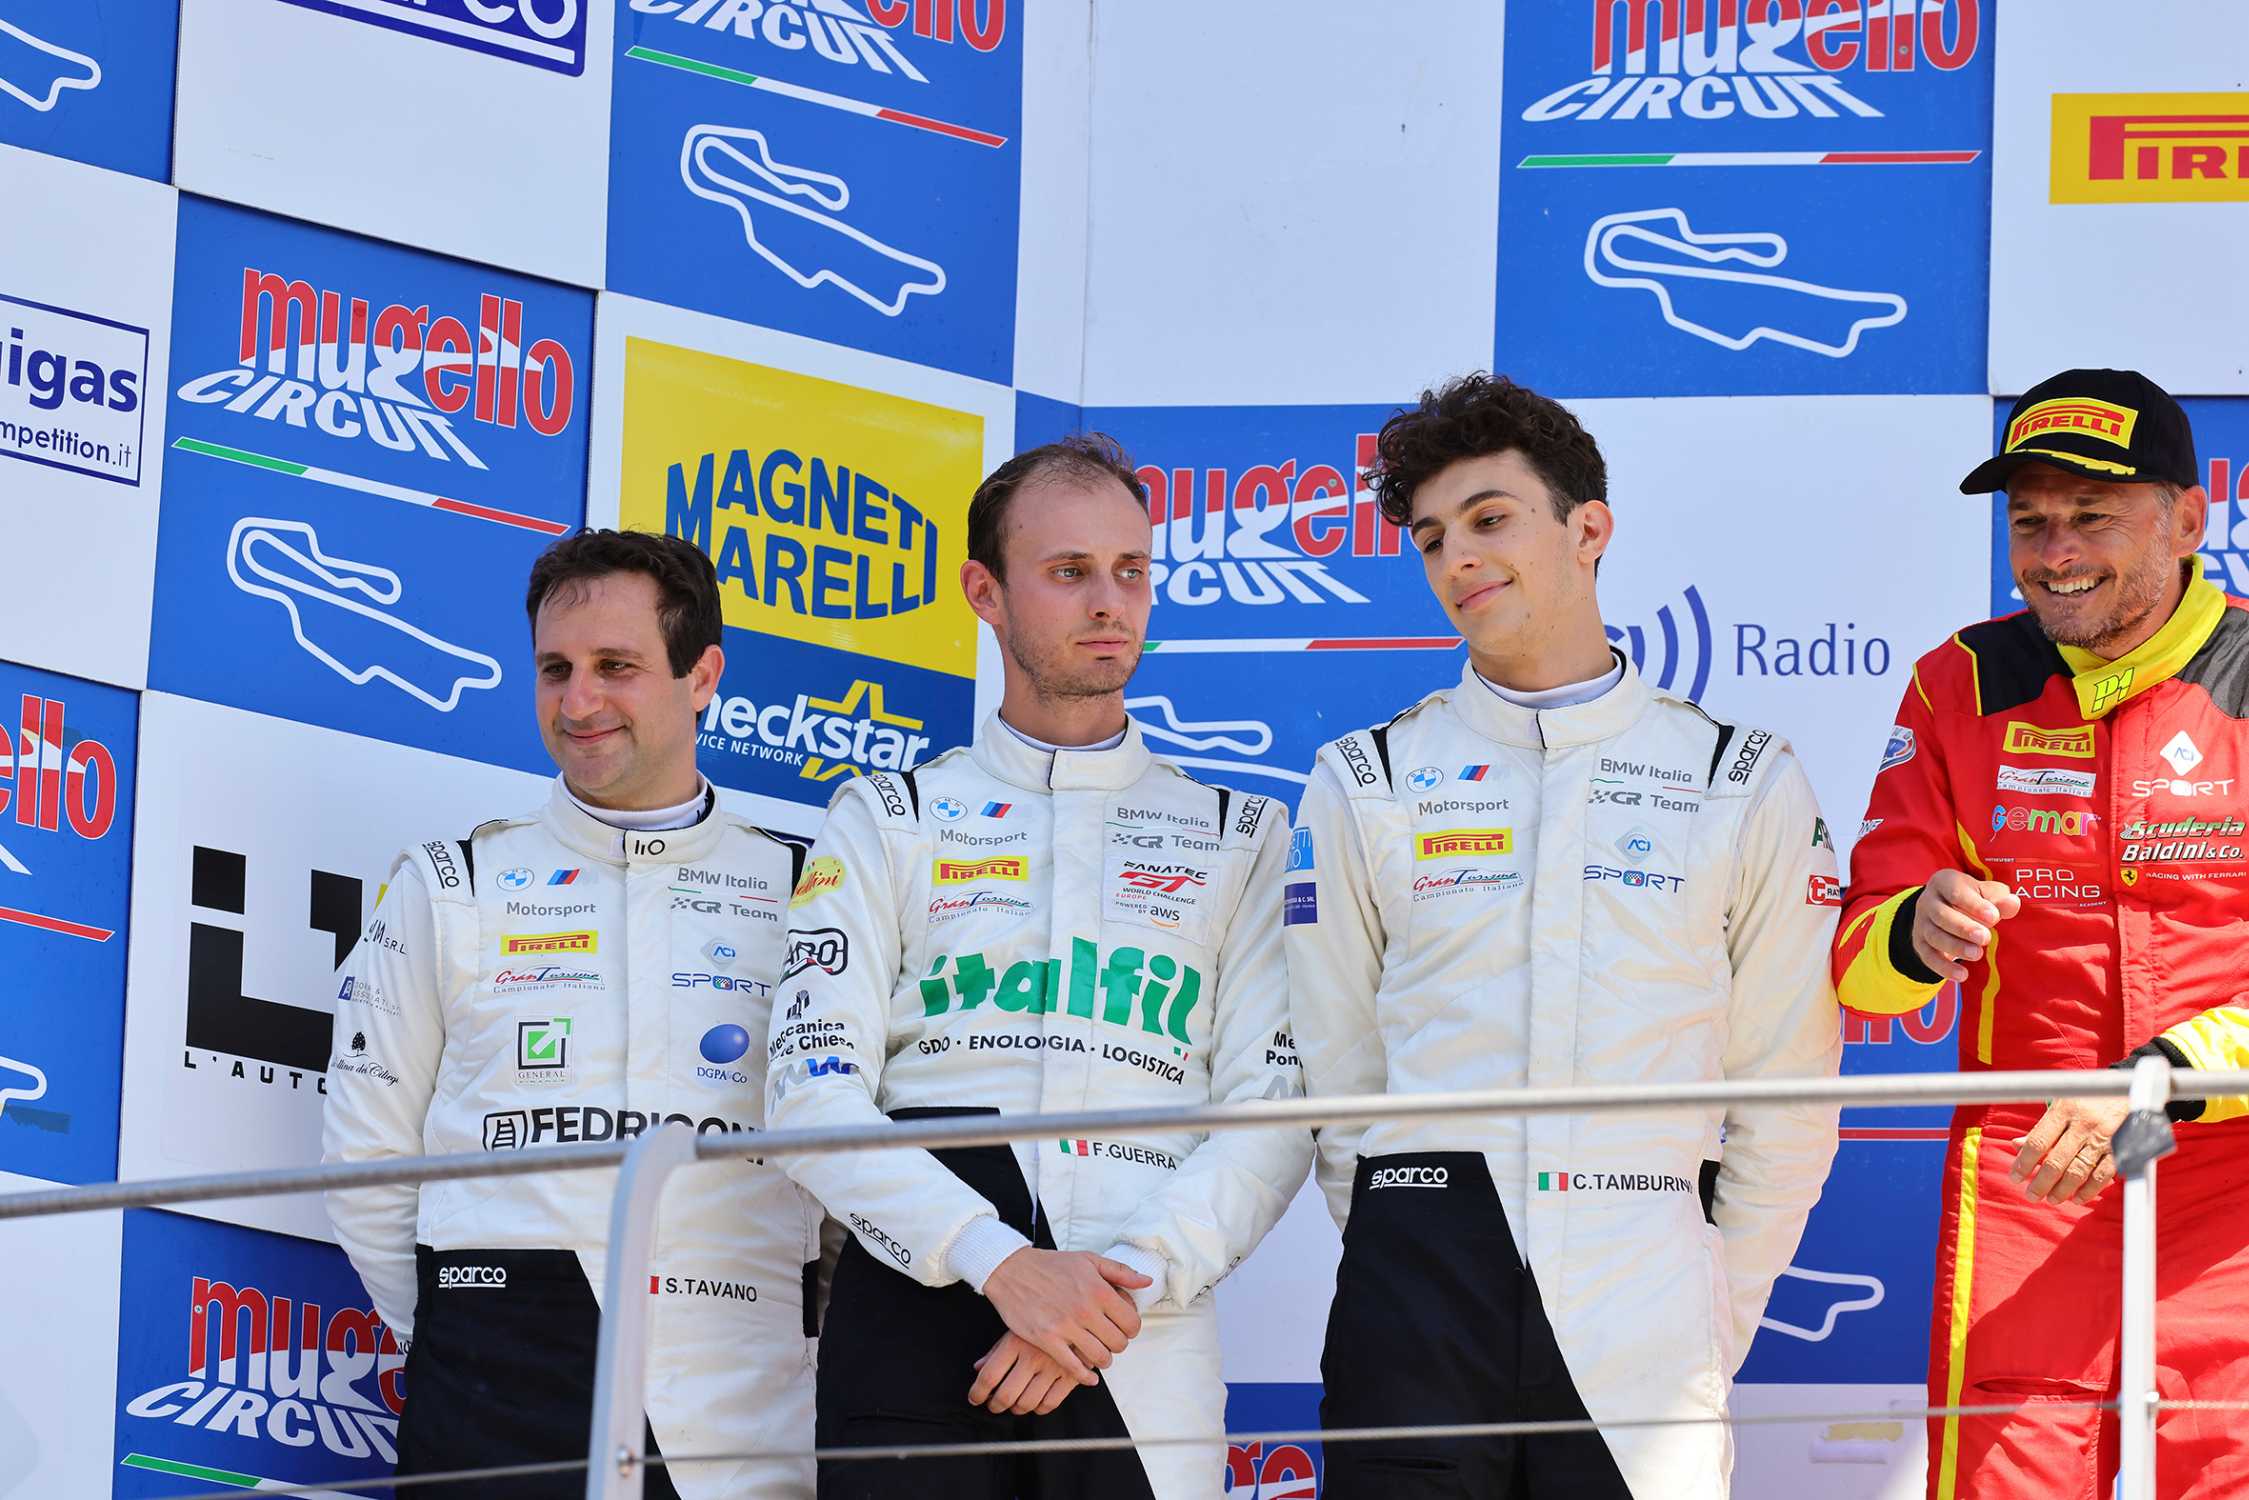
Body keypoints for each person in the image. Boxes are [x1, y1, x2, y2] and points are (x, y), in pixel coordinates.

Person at [1288, 373, 1843, 1499]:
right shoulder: (1365, 778)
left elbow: (1787, 1093)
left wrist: (1706, 1312)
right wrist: (1414, 1223)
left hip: (1646, 1300)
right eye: (1431, 538)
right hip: (1417, 1289)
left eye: (1489, 519)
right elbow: (1334, 1073)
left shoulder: (1735, 778)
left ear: (1588, 529)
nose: (1458, 558)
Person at [765, 434, 1310, 1499]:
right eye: (1068, 572)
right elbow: (806, 1094)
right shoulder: (888, 815)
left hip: (1139, 1345)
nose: (1109, 603)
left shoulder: (1239, 835)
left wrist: (1106, 1296)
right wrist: (1002, 1265)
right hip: (915, 1319)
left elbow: (1274, 1117)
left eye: (1130, 571)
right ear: (985, 592)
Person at [322, 530, 821, 1498]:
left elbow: (856, 1160)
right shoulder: (452, 883)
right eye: (555, 669)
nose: (578, 702)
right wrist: (472, 1328)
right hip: (496, 1377)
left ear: (701, 675)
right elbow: (364, 1159)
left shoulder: (808, 890)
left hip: (745, 1391)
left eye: (615, 667)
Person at [1834, 368, 2249, 1500]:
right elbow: (1858, 967)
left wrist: (2161, 1077)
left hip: (2231, 1174)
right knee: (2002, 1481)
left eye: (2091, 516)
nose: (2053, 553)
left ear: (2186, 519)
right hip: (2027, 1170)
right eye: (2028, 522)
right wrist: (1914, 931)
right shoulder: (1958, 683)